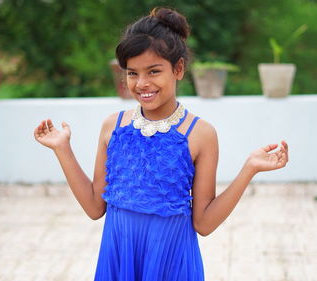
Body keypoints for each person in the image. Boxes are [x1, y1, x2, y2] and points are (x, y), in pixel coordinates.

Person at [33, 7, 289, 281]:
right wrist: (62, 149)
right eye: (132, 73)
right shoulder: (112, 127)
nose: (142, 83)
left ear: (178, 69)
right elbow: (95, 207)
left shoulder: (200, 134)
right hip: (119, 258)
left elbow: (203, 223)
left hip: (171, 261)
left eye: (154, 71)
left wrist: (249, 169)